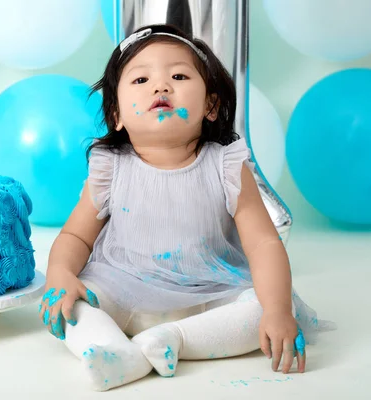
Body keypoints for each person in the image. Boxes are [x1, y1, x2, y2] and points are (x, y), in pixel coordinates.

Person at [38, 24, 331, 391]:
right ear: (116, 115)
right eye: (141, 79)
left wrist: (277, 310)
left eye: (178, 75)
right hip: (123, 285)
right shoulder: (110, 167)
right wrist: (61, 274)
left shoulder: (226, 165)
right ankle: (111, 350)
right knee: (73, 306)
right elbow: (76, 236)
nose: (161, 86)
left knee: (263, 306)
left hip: (210, 293)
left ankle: (172, 338)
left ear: (210, 105)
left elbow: (263, 244)